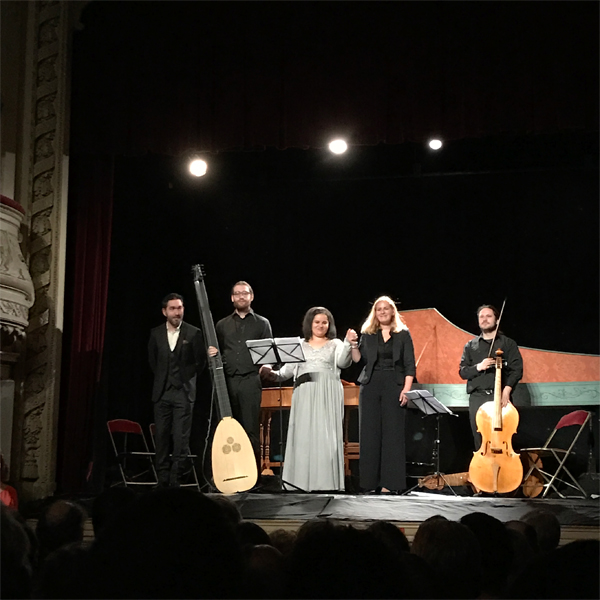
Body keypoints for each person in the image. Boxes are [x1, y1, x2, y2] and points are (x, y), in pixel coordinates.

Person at [266, 307, 356, 491]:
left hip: (327, 392)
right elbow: (286, 372)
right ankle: (299, 483)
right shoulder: (299, 345)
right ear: (310, 324)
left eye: (324, 322)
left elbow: (343, 363)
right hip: (304, 392)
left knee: (326, 435)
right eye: (317, 322)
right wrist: (271, 374)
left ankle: (325, 483)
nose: (320, 325)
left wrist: (348, 343)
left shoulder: (335, 344)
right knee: (304, 435)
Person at [351, 296, 415, 494]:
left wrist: (406, 389)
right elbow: (358, 359)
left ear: (392, 311)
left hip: (394, 385)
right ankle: (370, 483)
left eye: (386, 308)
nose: (383, 312)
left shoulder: (403, 334)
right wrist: (353, 344)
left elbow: (410, 365)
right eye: (379, 309)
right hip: (370, 385)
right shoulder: (368, 334)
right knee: (369, 434)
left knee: (392, 435)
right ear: (375, 313)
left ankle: (390, 484)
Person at [208, 281, 272, 465]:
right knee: (227, 429)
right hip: (227, 381)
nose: (241, 296)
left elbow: (268, 352)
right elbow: (217, 352)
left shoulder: (262, 323)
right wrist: (212, 354)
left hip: (251, 380)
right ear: (231, 298)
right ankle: (230, 470)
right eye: (237, 294)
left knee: (250, 429)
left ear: (251, 296)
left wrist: (266, 367)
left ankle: (253, 476)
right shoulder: (222, 325)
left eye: (245, 293)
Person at [148, 293, 205, 487]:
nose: (177, 312)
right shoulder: (156, 333)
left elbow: (200, 362)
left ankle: (176, 479)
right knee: (162, 437)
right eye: (172, 309)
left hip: (183, 392)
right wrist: (164, 378)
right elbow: (153, 361)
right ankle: (162, 478)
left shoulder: (193, 333)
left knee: (181, 437)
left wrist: (183, 380)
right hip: (162, 392)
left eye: (179, 308)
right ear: (164, 311)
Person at [459, 304, 523, 450]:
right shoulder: (470, 346)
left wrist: (506, 391)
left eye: (489, 316)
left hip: (500, 397)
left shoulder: (508, 344)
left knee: (503, 438)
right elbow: (463, 372)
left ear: (497, 320)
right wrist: (478, 367)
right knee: (480, 440)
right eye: (481, 316)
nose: (484, 319)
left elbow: (517, 370)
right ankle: (483, 472)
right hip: (478, 399)